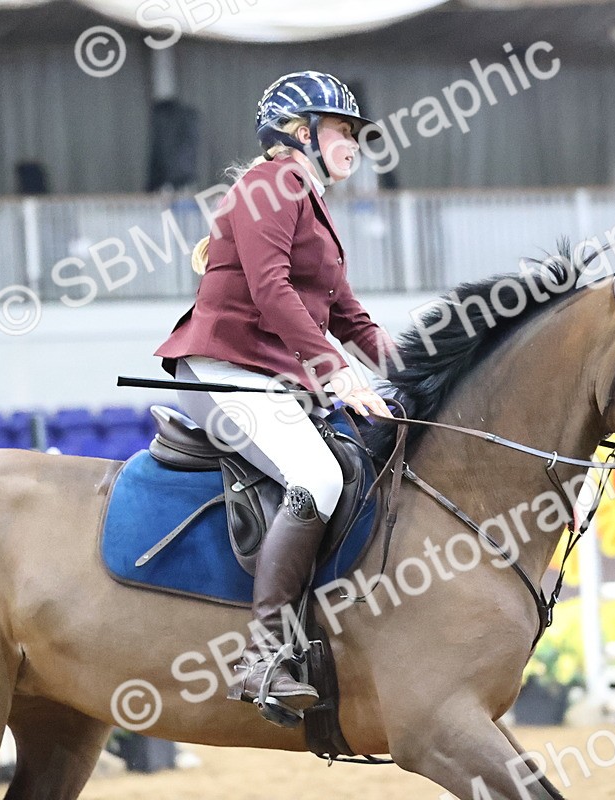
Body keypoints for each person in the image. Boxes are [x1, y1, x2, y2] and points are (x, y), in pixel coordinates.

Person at [152, 71, 398, 723]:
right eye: (345, 130)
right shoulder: (270, 184)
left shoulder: (311, 206)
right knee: (315, 478)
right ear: (300, 133)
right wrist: (334, 372)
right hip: (223, 370)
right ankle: (263, 655)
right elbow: (269, 289)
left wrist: (428, 373)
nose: (355, 143)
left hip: (270, 376)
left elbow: (350, 316)